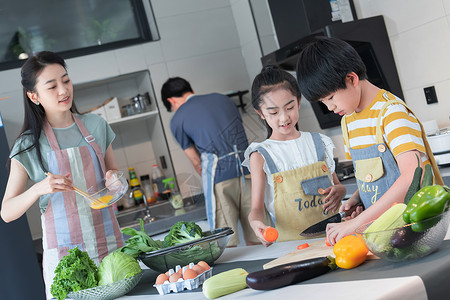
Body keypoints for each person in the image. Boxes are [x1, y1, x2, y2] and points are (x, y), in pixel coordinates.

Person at [296, 36, 443, 245]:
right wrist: (358, 198)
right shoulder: (348, 121)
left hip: (418, 232)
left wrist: (354, 225)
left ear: (352, 79)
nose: (329, 107)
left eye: (330, 98)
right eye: (323, 102)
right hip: (383, 234)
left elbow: (413, 176)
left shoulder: (391, 113)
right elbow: (374, 178)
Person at [0, 51, 124, 297]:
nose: (63, 90)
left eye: (66, 80)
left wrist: (115, 180)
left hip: (108, 247)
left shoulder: (96, 125)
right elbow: (6, 213)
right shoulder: (28, 145)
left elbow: (116, 177)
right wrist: (39, 188)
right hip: (67, 262)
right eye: (52, 86)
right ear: (34, 96)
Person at [242, 65, 346, 246]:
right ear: (261, 114)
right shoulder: (260, 155)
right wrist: (255, 223)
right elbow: (256, 208)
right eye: (273, 112)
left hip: (336, 239)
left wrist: (340, 191)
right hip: (292, 247)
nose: (284, 118)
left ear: (298, 102)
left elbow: (338, 187)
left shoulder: (319, 142)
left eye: (289, 107)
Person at [161, 77, 269, 247]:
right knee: (260, 234)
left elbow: (197, 162)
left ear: (171, 101)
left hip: (219, 179)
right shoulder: (223, 99)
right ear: (190, 90)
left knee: (226, 242)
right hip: (249, 171)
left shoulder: (177, 120)